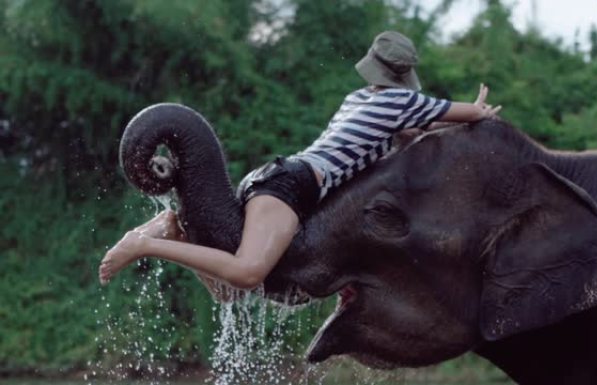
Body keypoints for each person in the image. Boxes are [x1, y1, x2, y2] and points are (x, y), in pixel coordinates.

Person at [98, 31, 502, 298]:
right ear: (404, 77)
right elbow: (465, 113)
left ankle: (174, 230)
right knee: (247, 273)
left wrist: (432, 127)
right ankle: (145, 243)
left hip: (277, 180)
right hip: (292, 186)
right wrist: (480, 110)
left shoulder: (360, 100)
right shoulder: (401, 102)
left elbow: (411, 132)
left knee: (228, 292)